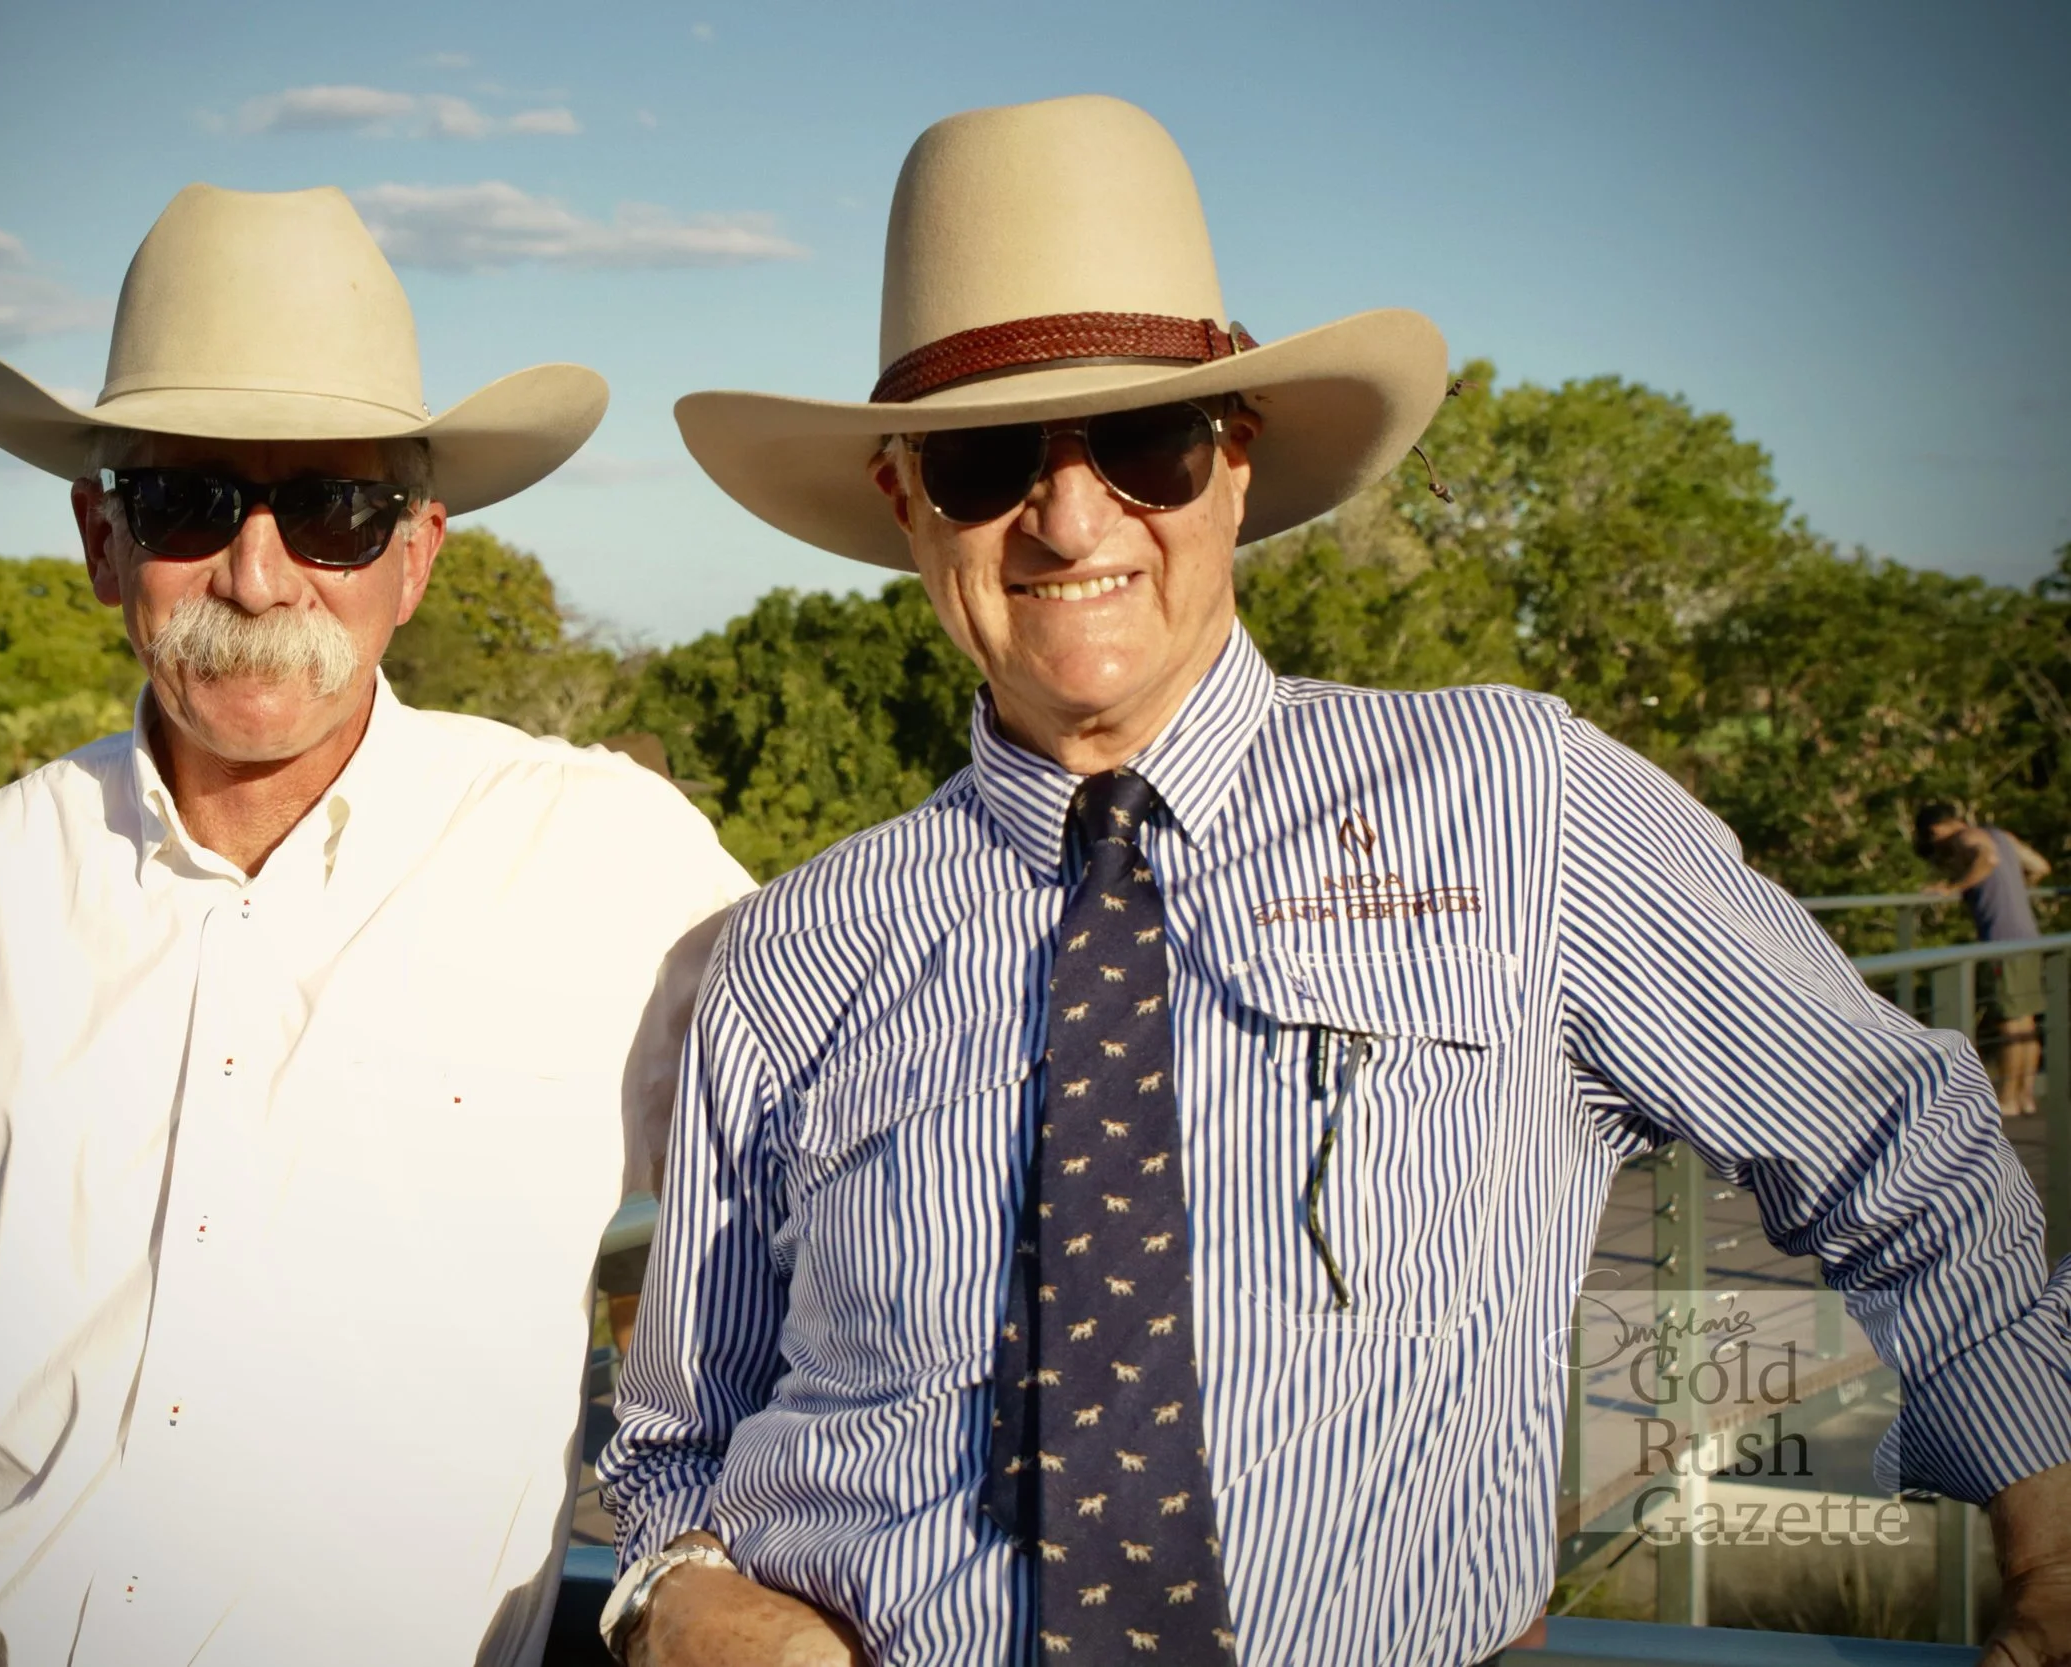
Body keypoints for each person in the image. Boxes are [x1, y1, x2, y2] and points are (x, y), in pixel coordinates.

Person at [599, 96, 2071, 1667]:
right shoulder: (795, 949)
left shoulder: (1519, 801)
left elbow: (1888, 1134)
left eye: (1147, 440)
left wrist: (2049, 1533)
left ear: (1236, 461)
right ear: (906, 502)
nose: (1072, 514)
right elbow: (674, 1442)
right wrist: (683, 1599)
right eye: (985, 457)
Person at [0, 184, 754, 1667]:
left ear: (415, 555)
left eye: (334, 507)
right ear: (103, 543)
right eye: (188, 500)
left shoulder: (611, 862)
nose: (259, 569)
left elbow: (873, 1211)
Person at [1917, 802, 2054, 1116]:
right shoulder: (2001, 835)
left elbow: (1987, 857)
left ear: (1937, 829)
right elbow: (2040, 867)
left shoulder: (1968, 838)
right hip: (2028, 935)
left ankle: (2007, 1098)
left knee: (2009, 1021)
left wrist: (1954, 888)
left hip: (2002, 939)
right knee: (2025, 1020)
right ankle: (2025, 1096)